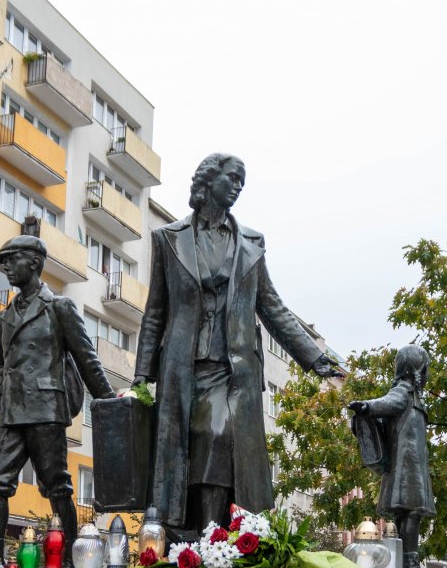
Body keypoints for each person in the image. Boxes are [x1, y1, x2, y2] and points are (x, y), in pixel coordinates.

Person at [133, 153, 344, 539]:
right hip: (184, 365)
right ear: (208, 180)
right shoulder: (169, 238)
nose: (237, 187)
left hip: (234, 369)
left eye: (242, 182)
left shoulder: (252, 243)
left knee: (218, 434)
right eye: (232, 178)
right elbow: (156, 311)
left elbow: (273, 307)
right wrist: (142, 375)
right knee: (193, 446)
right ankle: (195, 533)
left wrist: (313, 358)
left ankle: (213, 534)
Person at [0, 234, 114, 568]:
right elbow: (0, 371)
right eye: (2, 262)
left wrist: (110, 404)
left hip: (46, 410)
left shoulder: (58, 307)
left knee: (56, 485)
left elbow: (87, 359)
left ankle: (69, 557)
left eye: (12, 260)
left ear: (34, 262)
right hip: (11, 412)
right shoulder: (7, 316)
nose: (6, 267)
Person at [348, 344, 436, 568]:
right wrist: (367, 406)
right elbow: (387, 402)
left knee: (407, 515)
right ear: (417, 369)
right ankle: (410, 566)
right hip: (407, 468)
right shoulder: (403, 392)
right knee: (412, 513)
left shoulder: (414, 396)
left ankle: (404, 566)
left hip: (413, 466)